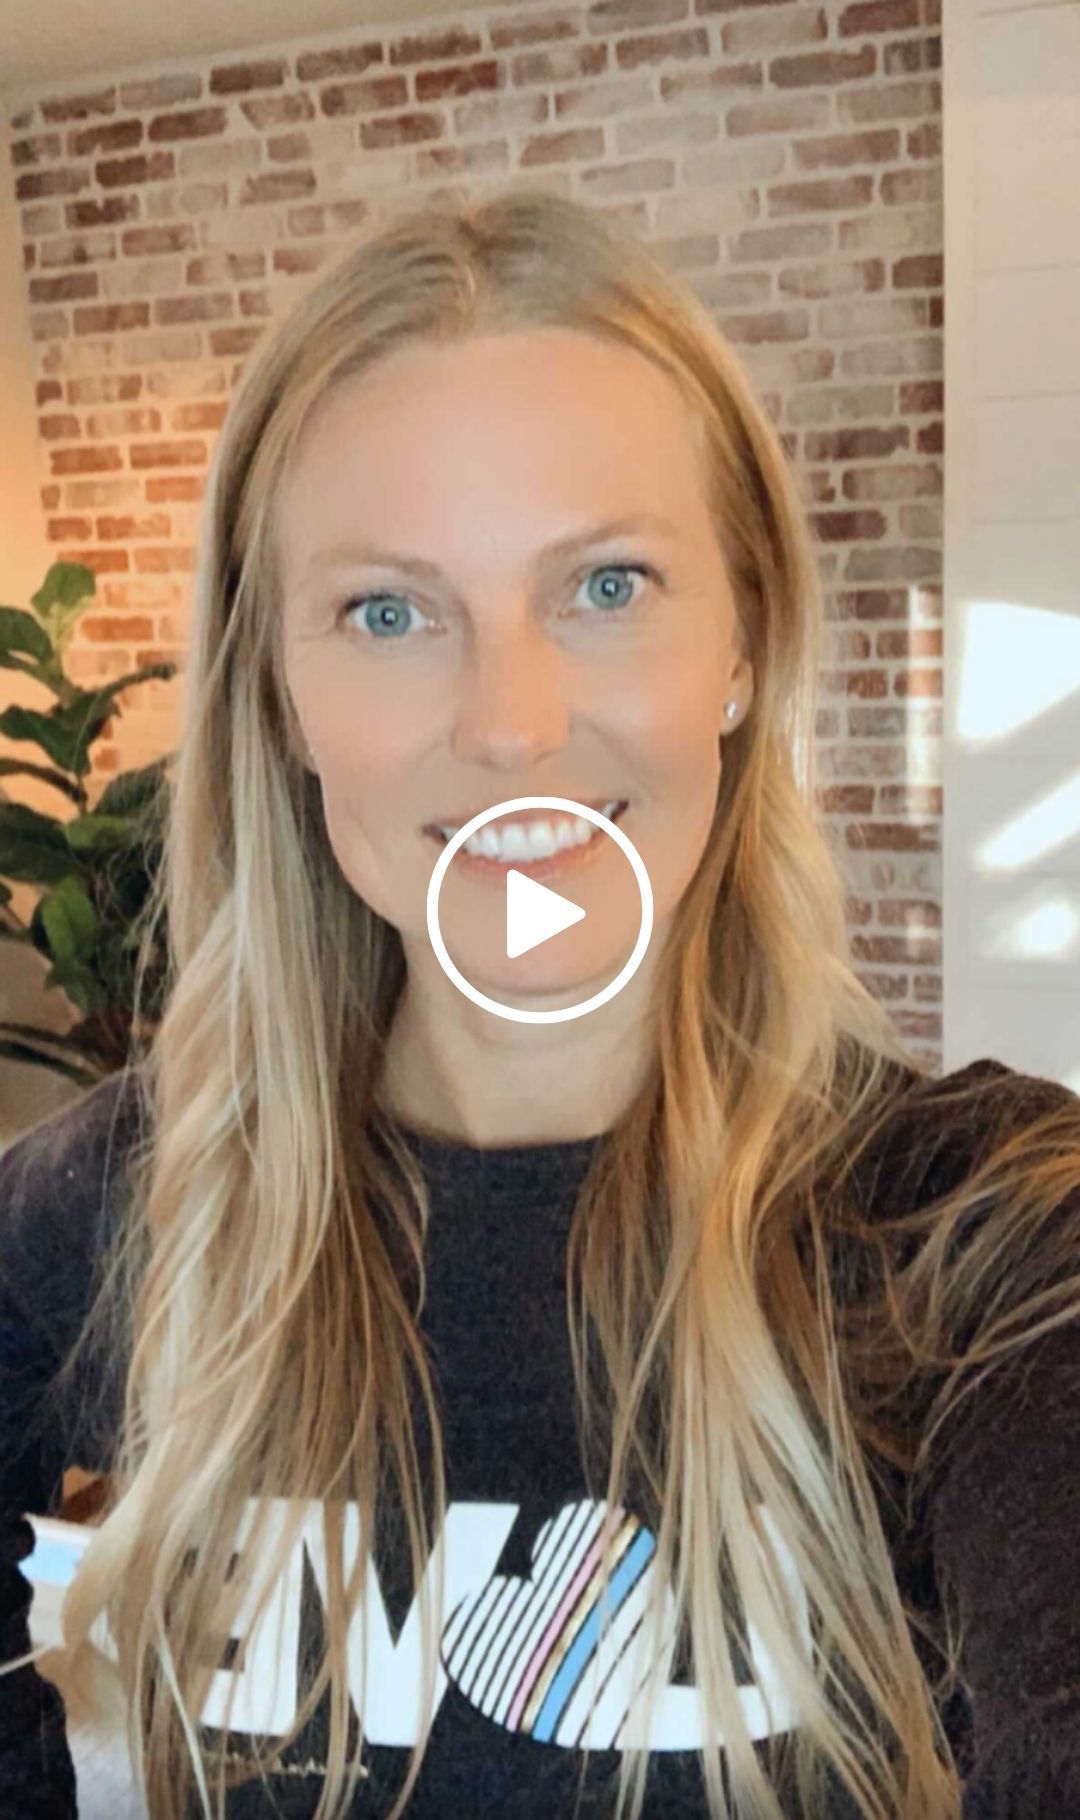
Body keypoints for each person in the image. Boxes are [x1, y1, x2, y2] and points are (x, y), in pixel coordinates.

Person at [1, 185, 1079, 1820]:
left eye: (608, 586)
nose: (510, 725)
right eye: (388, 612)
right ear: (281, 696)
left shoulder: (976, 1234)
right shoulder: (130, 1205)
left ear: (745, 641)